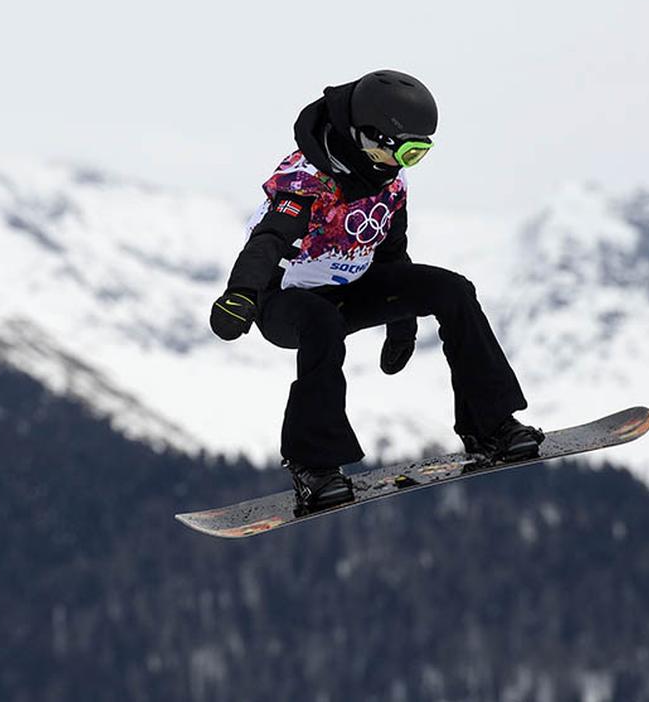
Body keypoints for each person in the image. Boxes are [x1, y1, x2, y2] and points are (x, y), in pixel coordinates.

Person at [209, 70, 543, 513]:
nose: (404, 163)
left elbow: (390, 253)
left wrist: (402, 326)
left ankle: (491, 425)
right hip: (284, 300)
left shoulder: (389, 183)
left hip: (352, 288)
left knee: (453, 291)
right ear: (367, 137)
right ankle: (314, 468)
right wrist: (240, 294)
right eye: (403, 151)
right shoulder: (306, 180)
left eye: (418, 153)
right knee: (323, 323)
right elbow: (268, 241)